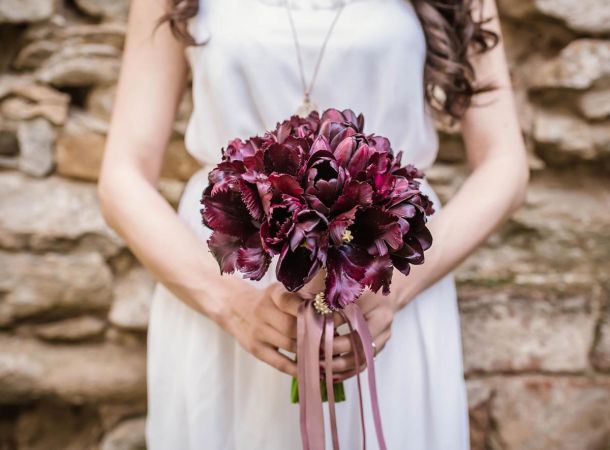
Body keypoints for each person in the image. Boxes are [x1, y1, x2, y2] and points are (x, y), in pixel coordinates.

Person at [98, 0, 529, 448]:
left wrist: (395, 292)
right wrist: (232, 304)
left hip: (390, 277)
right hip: (227, 282)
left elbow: (505, 165)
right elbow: (122, 176)